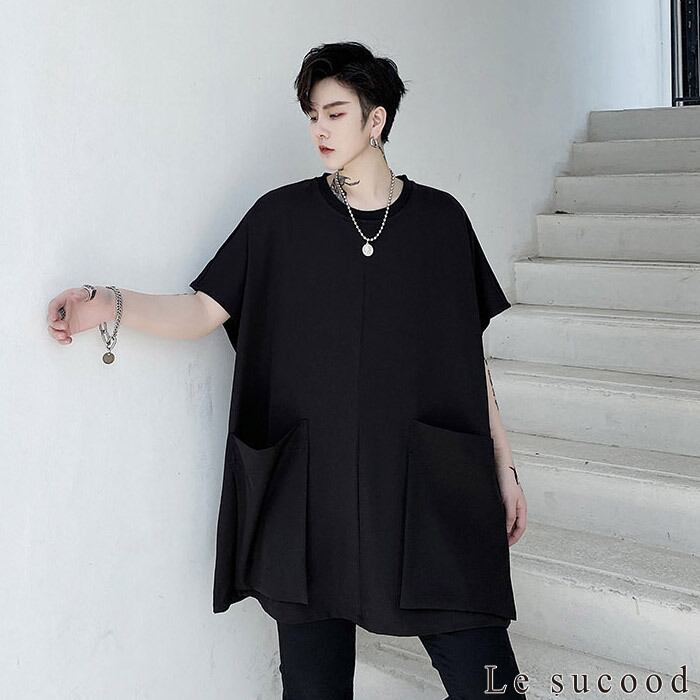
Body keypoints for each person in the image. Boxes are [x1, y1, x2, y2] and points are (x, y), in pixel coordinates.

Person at [47, 41, 528, 699]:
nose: (320, 129)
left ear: (377, 119)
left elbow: (467, 356)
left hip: (426, 489)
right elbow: (202, 310)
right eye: (312, 115)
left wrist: (504, 467)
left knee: (489, 683)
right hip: (312, 496)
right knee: (312, 688)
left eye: (335, 112)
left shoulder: (441, 221)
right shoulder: (281, 218)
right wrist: (108, 303)